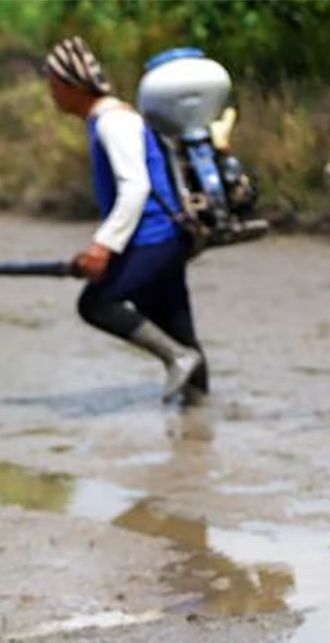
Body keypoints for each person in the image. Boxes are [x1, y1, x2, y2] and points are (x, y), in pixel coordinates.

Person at [44, 36, 209, 404]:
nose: (51, 93)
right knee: (180, 332)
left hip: (153, 238)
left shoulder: (112, 122)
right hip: (160, 239)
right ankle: (199, 431)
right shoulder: (107, 119)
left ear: (71, 85)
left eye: (53, 84)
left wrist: (103, 245)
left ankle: (177, 360)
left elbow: (135, 188)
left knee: (95, 305)